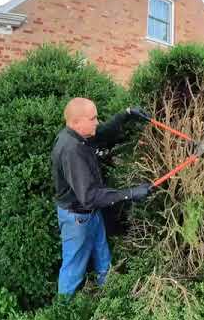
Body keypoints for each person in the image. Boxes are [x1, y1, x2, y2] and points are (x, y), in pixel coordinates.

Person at [51, 97, 151, 296]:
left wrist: (127, 114)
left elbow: (103, 132)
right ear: (76, 122)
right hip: (77, 219)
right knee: (73, 270)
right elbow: (89, 196)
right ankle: (60, 315)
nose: (97, 122)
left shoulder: (79, 136)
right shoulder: (71, 150)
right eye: (93, 118)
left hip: (91, 213)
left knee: (103, 258)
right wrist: (130, 194)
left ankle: (108, 296)